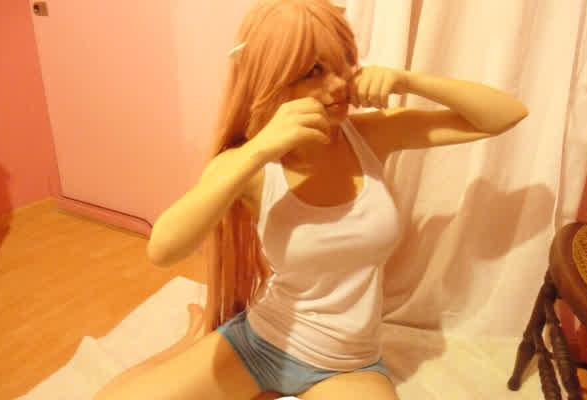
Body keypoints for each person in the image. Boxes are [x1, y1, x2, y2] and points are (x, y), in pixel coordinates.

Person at [94, 0, 529, 399]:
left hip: (347, 366)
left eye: (344, 62)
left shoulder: (370, 136)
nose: (339, 84)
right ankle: (200, 341)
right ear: (272, 78)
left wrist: (408, 80)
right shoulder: (249, 162)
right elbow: (163, 249)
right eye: (314, 71)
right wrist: (260, 149)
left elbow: (505, 115)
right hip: (261, 344)